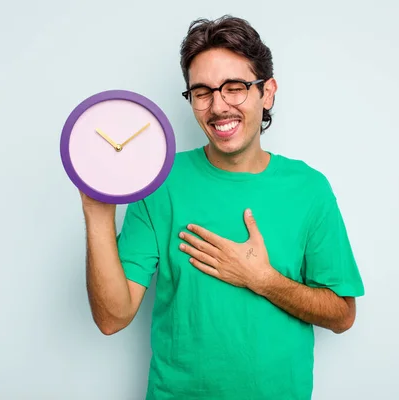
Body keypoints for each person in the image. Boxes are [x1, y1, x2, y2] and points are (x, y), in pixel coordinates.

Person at [80, 15, 365, 400]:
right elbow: (113, 318)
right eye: (202, 92)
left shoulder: (309, 189)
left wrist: (262, 279)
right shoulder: (159, 183)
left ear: (267, 92)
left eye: (235, 88)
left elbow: (342, 315)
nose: (218, 107)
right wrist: (98, 213)